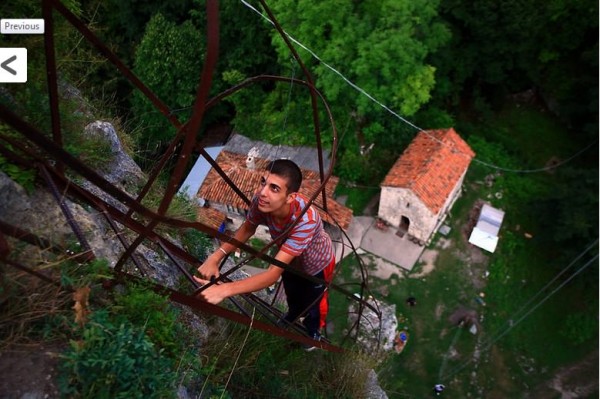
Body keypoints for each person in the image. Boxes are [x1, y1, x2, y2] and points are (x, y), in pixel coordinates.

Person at [194, 159, 336, 350]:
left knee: (315, 300)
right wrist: (215, 257)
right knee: (292, 292)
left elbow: (271, 275)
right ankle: (292, 316)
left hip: (317, 263)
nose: (263, 192)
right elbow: (247, 229)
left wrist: (224, 290)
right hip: (290, 260)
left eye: (274, 188)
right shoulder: (261, 202)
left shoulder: (305, 221)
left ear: (290, 197)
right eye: (263, 182)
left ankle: (313, 333)